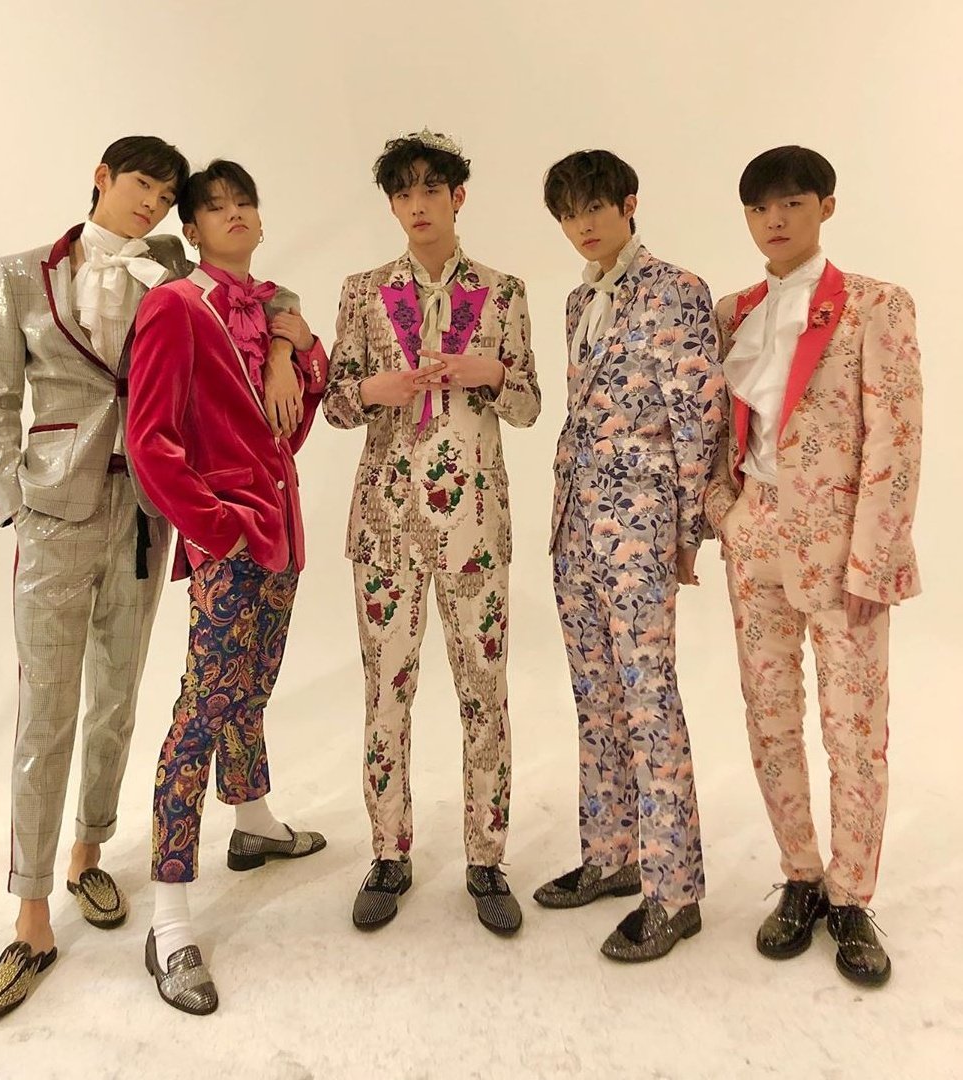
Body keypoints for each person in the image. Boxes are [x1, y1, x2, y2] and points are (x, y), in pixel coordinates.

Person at [0, 136, 192, 1021]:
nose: (152, 204)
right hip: (54, 514)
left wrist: (289, 341)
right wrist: (16, 503)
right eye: (141, 184)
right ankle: (30, 917)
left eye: (165, 196)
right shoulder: (20, 274)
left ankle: (89, 853)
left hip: (144, 513)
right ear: (102, 178)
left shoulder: (169, 272)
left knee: (117, 699)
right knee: (45, 712)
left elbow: (247, 295)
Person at [704, 145, 922, 987]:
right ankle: (799, 876)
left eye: (792, 203)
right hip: (754, 542)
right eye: (761, 208)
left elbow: (896, 440)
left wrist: (875, 562)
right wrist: (723, 512)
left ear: (826, 207)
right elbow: (713, 427)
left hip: (843, 553)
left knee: (854, 730)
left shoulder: (876, 304)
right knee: (769, 719)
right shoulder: (734, 311)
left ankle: (852, 896)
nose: (775, 220)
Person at [324, 130, 540, 937]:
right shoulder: (362, 292)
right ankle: (389, 852)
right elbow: (334, 404)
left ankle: (487, 858)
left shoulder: (505, 292)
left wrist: (494, 374)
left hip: (474, 523)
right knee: (386, 691)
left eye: (430, 190)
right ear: (392, 204)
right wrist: (372, 390)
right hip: (385, 525)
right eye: (403, 193)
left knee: (485, 690)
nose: (417, 205)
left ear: (458, 196)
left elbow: (529, 405)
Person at [126, 159, 329, 1014]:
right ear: (192, 228)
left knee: (252, 688)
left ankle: (252, 824)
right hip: (230, 541)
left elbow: (295, 419)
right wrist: (218, 528)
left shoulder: (271, 307)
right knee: (200, 712)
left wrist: (290, 348)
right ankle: (169, 916)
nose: (235, 214)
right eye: (216, 207)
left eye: (245, 202)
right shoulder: (176, 306)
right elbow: (149, 440)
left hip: (282, 531)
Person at [534, 149, 724, 962]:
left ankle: (675, 892)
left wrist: (686, 533)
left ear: (628, 204)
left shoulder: (677, 289)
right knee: (595, 696)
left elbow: (698, 418)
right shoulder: (579, 299)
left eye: (594, 207)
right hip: (575, 524)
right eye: (569, 213)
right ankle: (611, 855)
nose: (582, 224)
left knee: (649, 701)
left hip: (642, 525)